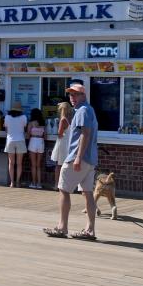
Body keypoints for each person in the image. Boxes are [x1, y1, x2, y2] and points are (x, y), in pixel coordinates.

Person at [44, 83, 99, 241]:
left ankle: (62, 227)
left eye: (75, 94)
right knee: (87, 193)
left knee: (63, 189)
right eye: (70, 95)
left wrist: (78, 158)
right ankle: (90, 230)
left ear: (83, 96)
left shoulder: (82, 111)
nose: (72, 98)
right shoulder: (89, 110)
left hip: (78, 158)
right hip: (90, 160)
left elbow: (85, 134)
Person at [4, 101, 28, 188]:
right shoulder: (23, 117)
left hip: (10, 140)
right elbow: (24, 128)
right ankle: (17, 182)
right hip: (20, 140)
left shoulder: (7, 117)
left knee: (11, 163)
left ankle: (12, 182)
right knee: (19, 163)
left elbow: (6, 130)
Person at [27, 108, 46, 189]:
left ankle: (33, 183)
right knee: (39, 165)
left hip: (33, 141)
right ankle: (39, 184)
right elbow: (45, 136)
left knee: (33, 165)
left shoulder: (31, 123)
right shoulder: (43, 123)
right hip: (41, 141)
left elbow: (28, 135)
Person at [50, 102, 72, 171]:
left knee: (59, 166)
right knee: (67, 165)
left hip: (62, 143)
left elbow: (59, 134)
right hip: (68, 143)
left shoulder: (63, 120)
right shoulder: (71, 119)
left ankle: (57, 182)